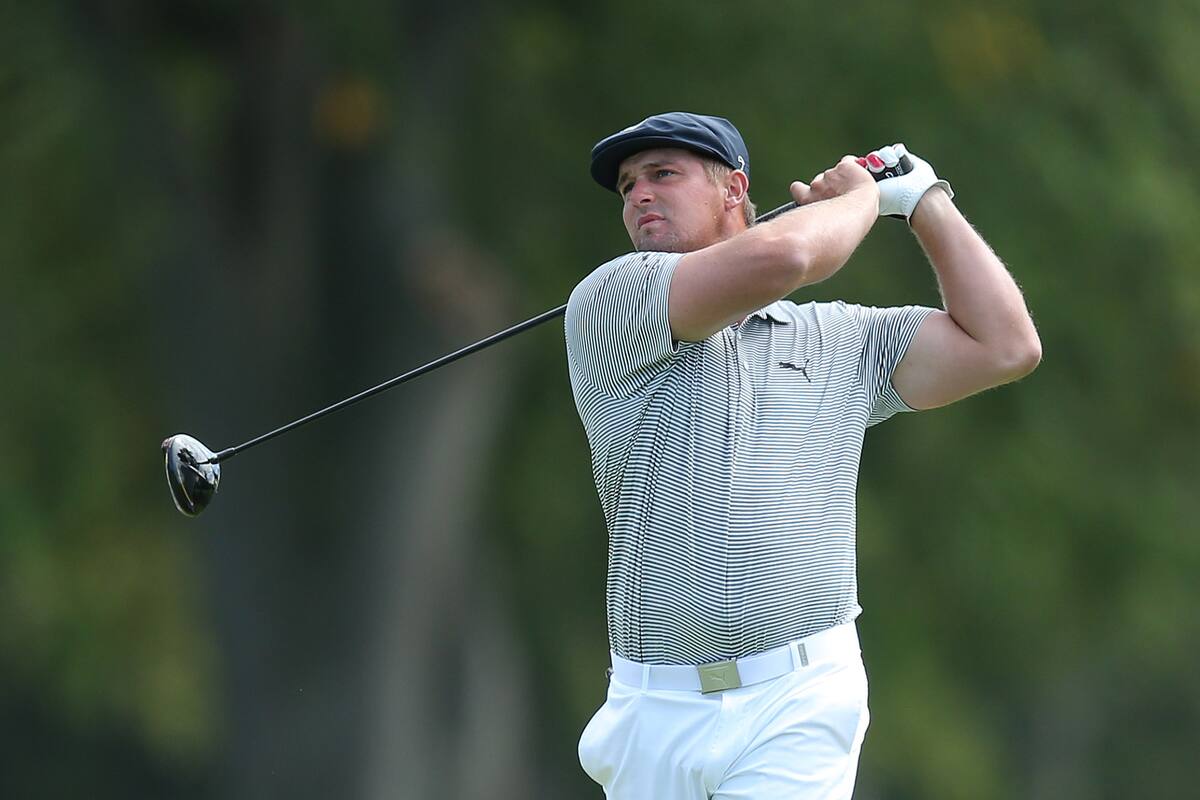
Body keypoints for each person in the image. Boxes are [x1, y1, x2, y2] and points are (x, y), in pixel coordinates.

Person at [563, 111, 1041, 799]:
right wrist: (862, 200)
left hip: (799, 698)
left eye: (663, 174)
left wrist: (926, 203)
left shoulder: (843, 338)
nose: (639, 194)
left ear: (734, 190)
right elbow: (783, 259)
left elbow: (1006, 346)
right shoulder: (613, 300)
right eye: (628, 186)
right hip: (653, 714)